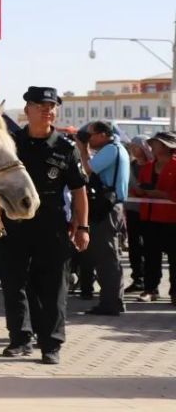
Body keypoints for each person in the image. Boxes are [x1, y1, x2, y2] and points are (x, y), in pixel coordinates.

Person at [0, 86, 88, 365]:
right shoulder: (11, 144)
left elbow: (79, 190)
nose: (48, 111)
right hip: (14, 222)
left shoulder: (65, 147)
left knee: (54, 285)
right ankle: (19, 339)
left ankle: (51, 344)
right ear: (27, 110)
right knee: (14, 282)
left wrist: (83, 228)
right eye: (41, 106)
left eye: (52, 106)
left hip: (52, 224)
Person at [77, 120, 130, 315]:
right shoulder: (117, 148)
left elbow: (86, 169)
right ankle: (114, 300)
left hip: (106, 208)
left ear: (102, 134)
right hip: (112, 206)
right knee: (110, 255)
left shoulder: (110, 150)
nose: (88, 138)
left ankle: (110, 303)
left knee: (106, 256)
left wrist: (83, 149)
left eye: (90, 135)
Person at [132, 131, 176, 305]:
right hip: (150, 217)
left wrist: (164, 195)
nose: (152, 146)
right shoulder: (149, 166)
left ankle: (174, 292)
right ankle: (150, 289)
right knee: (151, 256)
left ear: (166, 146)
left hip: (172, 219)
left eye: (156, 143)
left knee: (174, 258)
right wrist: (138, 191)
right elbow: (141, 186)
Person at [122, 136, 153, 294]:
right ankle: (137, 279)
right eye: (132, 146)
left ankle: (149, 282)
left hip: (149, 211)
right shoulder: (131, 165)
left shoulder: (152, 166)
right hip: (132, 210)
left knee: (148, 247)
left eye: (137, 146)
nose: (134, 149)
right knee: (134, 246)